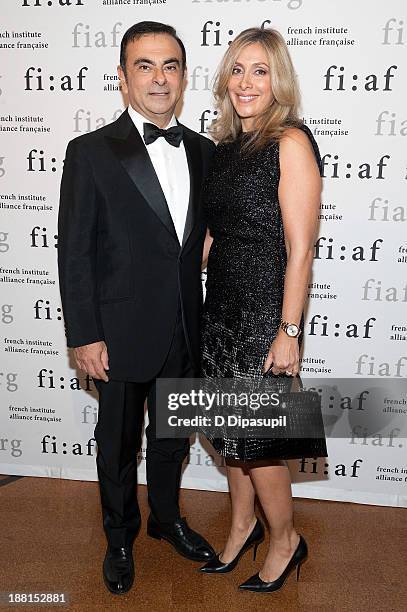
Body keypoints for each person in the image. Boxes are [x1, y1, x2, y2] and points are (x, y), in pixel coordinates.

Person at [57, 21, 216, 595]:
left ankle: (166, 519)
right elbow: (74, 250)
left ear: (184, 76)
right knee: (118, 445)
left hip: (185, 325)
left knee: (173, 437)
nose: (158, 77)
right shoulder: (91, 151)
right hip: (118, 331)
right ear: (122, 77)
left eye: (170, 65)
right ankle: (119, 537)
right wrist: (84, 334)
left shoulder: (202, 150)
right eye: (144, 66)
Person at [199, 27, 325, 593]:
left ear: (278, 81)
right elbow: (216, 237)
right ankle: (242, 525)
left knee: (263, 446)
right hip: (220, 311)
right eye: (238, 69)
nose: (246, 81)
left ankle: (285, 541)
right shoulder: (224, 149)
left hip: (263, 318)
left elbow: (301, 249)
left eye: (260, 70)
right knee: (232, 439)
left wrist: (288, 331)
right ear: (226, 79)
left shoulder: (290, 142)